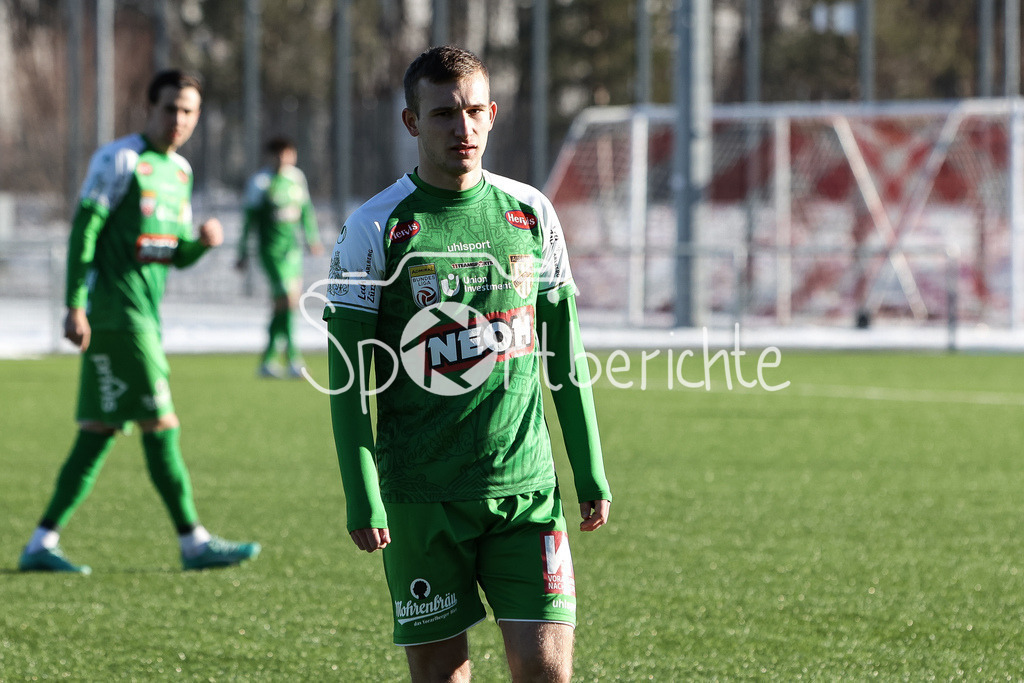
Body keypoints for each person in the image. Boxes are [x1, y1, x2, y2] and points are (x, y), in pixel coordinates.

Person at [323, 46, 611, 682]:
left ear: (493, 114)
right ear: (411, 123)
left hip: (526, 492)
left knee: (546, 673)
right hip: (422, 498)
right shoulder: (374, 228)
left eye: (475, 112)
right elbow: (348, 384)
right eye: (444, 114)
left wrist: (588, 468)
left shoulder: (530, 212)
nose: (463, 129)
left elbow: (564, 352)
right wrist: (361, 495)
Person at [18, 70, 261, 575]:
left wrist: (201, 245)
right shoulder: (119, 160)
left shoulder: (180, 174)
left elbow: (168, 254)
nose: (179, 119)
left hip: (142, 318)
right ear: (149, 110)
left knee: (98, 429)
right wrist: (74, 305)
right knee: (161, 424)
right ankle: (193, 541)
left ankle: (41, 542)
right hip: (117, 317)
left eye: (188, 111)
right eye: (170, 108)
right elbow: (85, 231)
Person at [236, 136, 323, 377]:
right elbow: (248, 222)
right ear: (270, 156)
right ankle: (294, 358)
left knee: (286, 305)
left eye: (288, 153)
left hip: (292, 252)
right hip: (270, 252)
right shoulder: (260, 183)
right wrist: (242, 252)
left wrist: (312, 239)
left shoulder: (296, 179)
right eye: (279, 154)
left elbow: (306, 211)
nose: (284, 159)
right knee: (285, 299)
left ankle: (267, 360)